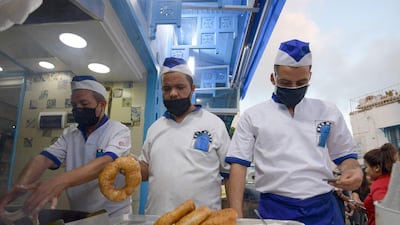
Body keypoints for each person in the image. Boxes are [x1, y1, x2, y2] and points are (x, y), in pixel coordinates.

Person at [225, 39, 363, 225]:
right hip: (276, 210)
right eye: (285, 82)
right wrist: (237, 217)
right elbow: (238, 167)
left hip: (324, 208)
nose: (293, 88)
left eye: (301, 82)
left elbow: (346, 158)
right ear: (273, 78)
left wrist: (354, 172)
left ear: (310, 77)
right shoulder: (253, 116)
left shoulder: (328, 112)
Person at [0, 75, 132, 218]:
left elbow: (106, 162)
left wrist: (59, 182)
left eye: (84, 103)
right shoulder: (70, 133)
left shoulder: (118, 130)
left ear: (102, 105)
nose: (78, 108)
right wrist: (20, 187)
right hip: (80, 214)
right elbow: (43, 159)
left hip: (114, 215)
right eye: (74, 105)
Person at [138, 57, 231, 215]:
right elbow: (145, 171)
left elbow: (229, 174)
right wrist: (125, 163)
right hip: (158, 217)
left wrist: (232, 214)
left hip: (202, 220)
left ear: (192, 88)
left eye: (180, 87)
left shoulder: (214, 124)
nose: (173, 93)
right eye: (167, 89)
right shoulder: (155, 128)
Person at [363, 143, 397, 225]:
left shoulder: (379, 185)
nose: (365, 171)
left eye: (366, 167)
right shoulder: (393, 178)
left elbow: (386, 211)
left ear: (376, 168)